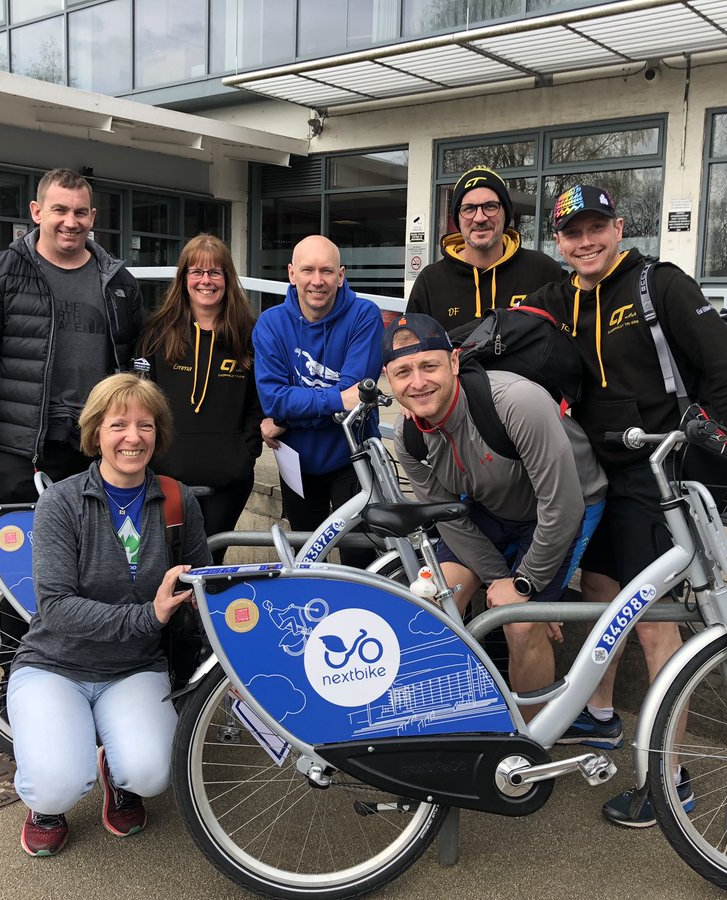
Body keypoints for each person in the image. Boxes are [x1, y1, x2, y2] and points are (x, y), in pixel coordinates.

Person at [522, 183, 727, 827]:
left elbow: (722, 363)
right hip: (596, 469)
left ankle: (669, 779)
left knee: (652, 620)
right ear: (557, 242)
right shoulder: (557, 297)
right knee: (601, 590)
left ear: (618, 228)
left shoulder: (659, 285)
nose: (584, 242)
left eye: (595, 228)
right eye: (570, 233)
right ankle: (603, 718)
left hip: (658, 472)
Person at [7, 374, 211, 857]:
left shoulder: (178, 500)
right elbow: (54, 607)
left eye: (145, 425)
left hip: (134, 667)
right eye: (118, 424)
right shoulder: (61, 501)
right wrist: (150, 615)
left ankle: (116, 776)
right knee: (56, 784)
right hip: (55, 665)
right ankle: (46, 805)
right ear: (96, 432)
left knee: (153, 773)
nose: (133, 437)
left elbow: (202, 583)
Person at [384, 313, 605, 718]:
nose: (417, 382)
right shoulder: (409, 437)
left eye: (429, 365)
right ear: (388, 378)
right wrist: (497, 578)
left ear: (453, 362)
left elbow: (563, 505)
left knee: (519, 623)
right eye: (403, 372)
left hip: (566, 506)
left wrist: (525, 584)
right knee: (436, 599)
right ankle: (443, 720)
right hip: (495, 504)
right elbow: (450, 518)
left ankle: (531, 741)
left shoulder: (517, 401)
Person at [0, 167, 144, 504]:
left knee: (93, 554)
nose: (71, 221)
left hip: (95, 447)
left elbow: (135, 364)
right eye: (60, 210)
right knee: (17, 552)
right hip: (20, 448)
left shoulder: (118, 282)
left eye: (80, 212)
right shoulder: (0, 274)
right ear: (37, 212)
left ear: (92, 216)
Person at [252, 235, 384, 569]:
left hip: (352, 456)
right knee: (307, 556)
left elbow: (355, 402)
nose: (317, 280)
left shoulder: (364, 316)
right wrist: (334, 399)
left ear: (340, 275)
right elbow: (274, 401)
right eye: (307, 270)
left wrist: (289, 415)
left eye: (326, 271)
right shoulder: (270, 323)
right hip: (297, 462)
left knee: (359, 557)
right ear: (291, 273)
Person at [139, 234, 263, 563]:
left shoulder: (250, 334)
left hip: (229, 477)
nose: (205, 281)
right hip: (166, 475)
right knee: (166, 567)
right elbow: (140, 397)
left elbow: (259, 401)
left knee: (211, 566)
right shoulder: (156, 333)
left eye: (214, 273)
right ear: (183, 279)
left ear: (227, 279)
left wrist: (245, 452)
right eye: (196, 272)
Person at [406, 165, 563, 338]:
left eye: (490, 206)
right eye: (469, 208)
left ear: (506, 214)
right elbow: (412, 352)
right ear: (458, 218)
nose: (480, 218)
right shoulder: (430, 281)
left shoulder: (542, 270)